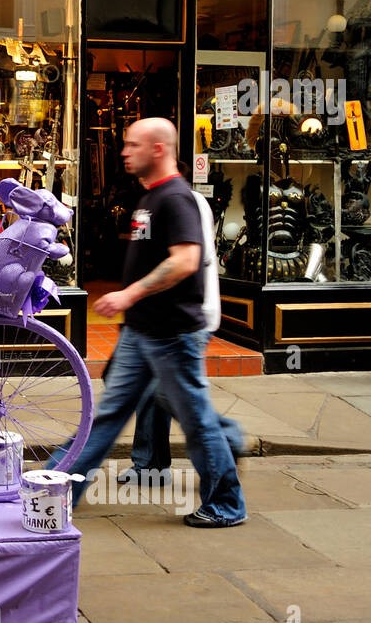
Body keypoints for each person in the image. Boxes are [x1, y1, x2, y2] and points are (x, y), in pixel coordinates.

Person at [55, 117, 246, 528]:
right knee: (106, 415)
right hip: (142, 332)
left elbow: (185, 261)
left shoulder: (176, 198)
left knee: (196, 422)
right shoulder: (148, 197)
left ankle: (226, 504)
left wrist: (130, 294)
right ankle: (58, 487)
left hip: (173, 333)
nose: (124, 152)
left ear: (158, 149)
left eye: (133, 145)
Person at [119, 184, 246, 483]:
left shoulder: (182, 201)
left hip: (184, 318)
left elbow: (189, 261)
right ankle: (149, 464)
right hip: (162, 319)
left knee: (172, 395)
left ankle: (226, 440)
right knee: (156, 394)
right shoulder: (154, 200)